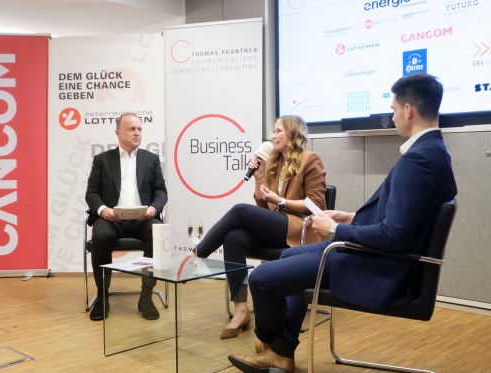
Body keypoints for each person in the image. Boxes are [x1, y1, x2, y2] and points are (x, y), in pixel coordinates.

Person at [227, 73, 458, 373]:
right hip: (372, 253)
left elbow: (393, 236)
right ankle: (282, 353)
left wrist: (335, 229)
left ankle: (269, 342)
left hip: (375, 264)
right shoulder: (432, 153)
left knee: (261, 278)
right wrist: (348, 217)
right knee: (287, 257)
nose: (393, 115)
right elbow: (401, 219)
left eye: (394, 109)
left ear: (409, 110)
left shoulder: (420, 160)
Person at [194, 115, 327, 339]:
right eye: (273, 131)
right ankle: (240, 310)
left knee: (239, 211)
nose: (273, 136)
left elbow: (317, 205)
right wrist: (258, 178)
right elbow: (262, 205)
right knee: (234, 238)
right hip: (276, 225)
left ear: (293, 134)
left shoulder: (310, 159)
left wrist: (281, 201)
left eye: (278, 131)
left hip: (299, 229)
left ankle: (197, 254)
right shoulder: (274, 162)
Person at [85, 112, 168, 321]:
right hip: (112, 218)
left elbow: (161, 192)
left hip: (142, 219)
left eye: (139, 129)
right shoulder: (102, 160)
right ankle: (103, 296)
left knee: (156, 233)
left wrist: (153, 209)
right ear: (118, 132)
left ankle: (146, 296)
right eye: (132, 129)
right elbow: (92, 193)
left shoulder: (151, 159)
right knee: (101, 236)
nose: (137, 133)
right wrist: (104, 210)